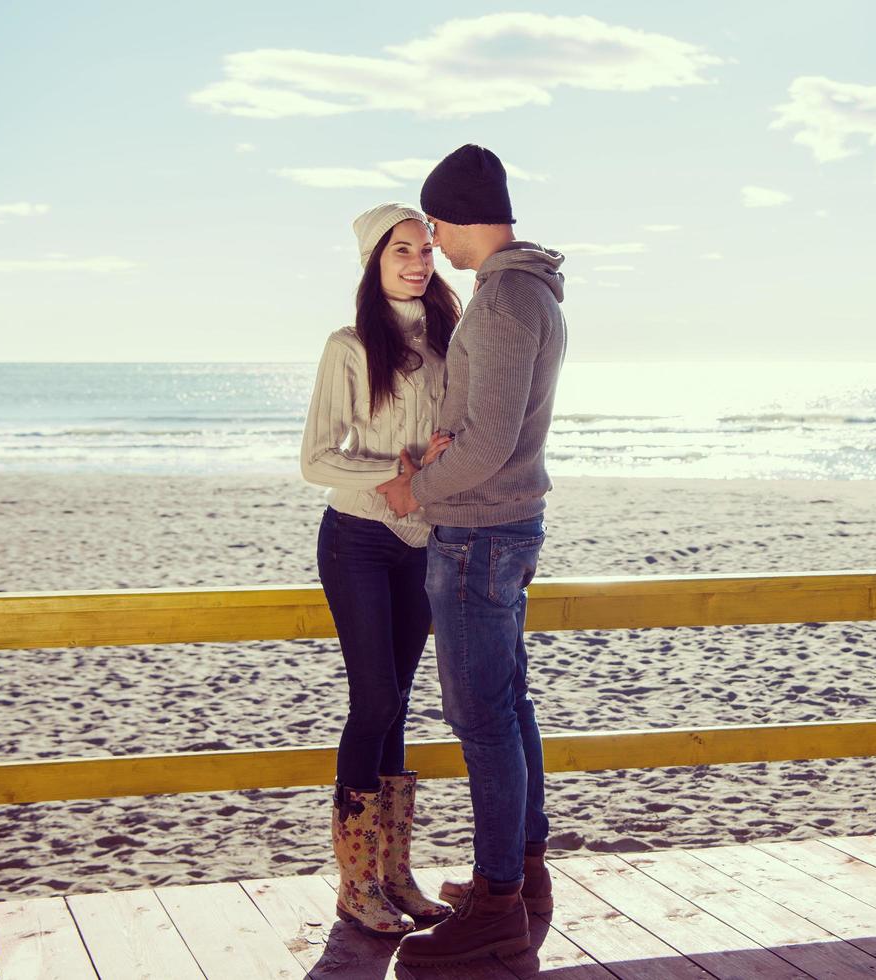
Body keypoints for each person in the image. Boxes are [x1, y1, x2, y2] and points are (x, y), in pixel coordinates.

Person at [374, 145, 568, 967]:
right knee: (508, 708)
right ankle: (521, 877)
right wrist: (442, 453)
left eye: (437, 228)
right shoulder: (530, 291)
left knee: (482, 721)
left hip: (479, 534)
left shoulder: (500, 303)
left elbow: (487, 442)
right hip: (506, 526)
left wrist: (418, 488)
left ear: (455, 218)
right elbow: (487, 428)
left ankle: (496, 905)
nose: (436, 246)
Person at [300, 202, 462, 938]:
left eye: (425, 249)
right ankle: (355, 881)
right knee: (373, 701)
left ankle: (396, 873)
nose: (418, 261)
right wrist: (390, 475)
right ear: (373, 260)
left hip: (423, 543)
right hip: (358, 538)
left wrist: (437, 467)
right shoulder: (347, 346)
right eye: (402, 250)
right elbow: (315, 459)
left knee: (398, 701)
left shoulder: (451, 343)